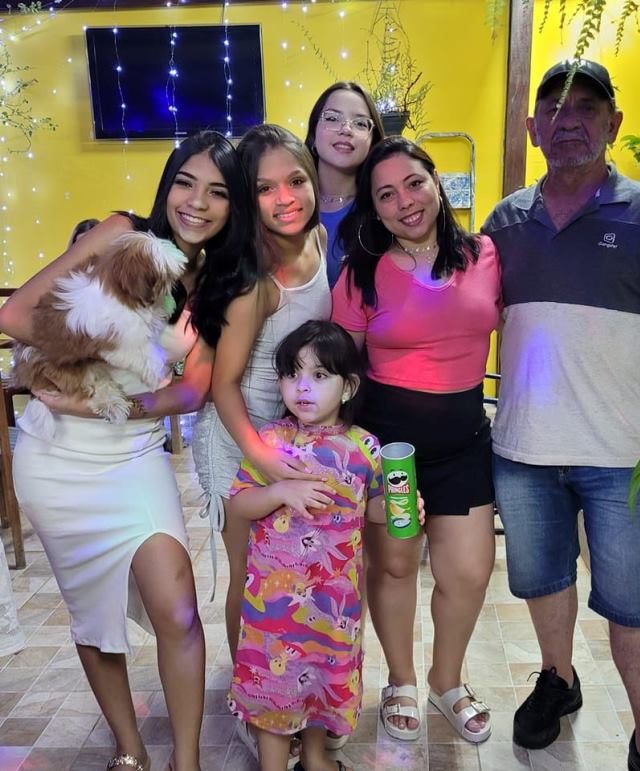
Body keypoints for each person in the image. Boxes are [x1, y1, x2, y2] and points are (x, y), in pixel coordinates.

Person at [0, 130, 255, 771]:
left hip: (134, 453)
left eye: (218, 192)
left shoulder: (220, 281)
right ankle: (129, 750)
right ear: (167, 184)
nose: (196, 202)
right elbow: (16, 314)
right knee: (92, 613)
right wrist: (105, 347)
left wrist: (109, 403)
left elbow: (191, 390)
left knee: (178, 609)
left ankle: (186, 761)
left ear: (234, 204)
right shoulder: (119, 233)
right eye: (185, 183)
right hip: (55, 457)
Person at [482, 60, 640, 771]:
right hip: (524, 450)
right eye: (554, 108)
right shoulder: (504, 222)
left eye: (586, 106)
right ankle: (559, 679)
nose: (569, 120)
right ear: (532, 127)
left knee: (635, 603)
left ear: (614, 122)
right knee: (543, 581)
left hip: (622, 456)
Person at [332, 136, 501, 744]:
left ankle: (445, 681)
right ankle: (400, 681)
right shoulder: (361, 273)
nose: (405, 201)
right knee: (397, 565)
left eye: (414, 183)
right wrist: (354, 462)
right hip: (392, 455)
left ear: (436, 183)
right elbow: (343, 371)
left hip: (463, 446)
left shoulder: (484, 254)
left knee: (470, 571)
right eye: (386, 195)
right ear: (374, 210)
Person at [191, 124, 331, 765]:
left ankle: (296, 691)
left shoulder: (320, 241)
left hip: (295, 433)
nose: (285, 199)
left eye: (295, 180)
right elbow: (222, 387)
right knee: (254, 577)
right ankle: (253, 704)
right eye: (264, 188)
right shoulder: (254, 279)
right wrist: (266, 462)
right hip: (239, 436)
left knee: (294, 573)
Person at [228, 320, 421, 771]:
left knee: (318, 682)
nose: (302, 387)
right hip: (275, 608)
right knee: (275, 690)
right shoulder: (272, 442)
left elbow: (373, 509)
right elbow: (240, 503)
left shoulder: (364, 447)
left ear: (348, 387)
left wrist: (405, 505)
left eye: (319, 376)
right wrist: (279, 491)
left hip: (334, 606)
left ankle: (315, 758)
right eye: (292, 374)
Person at [304, 82, 384, 288]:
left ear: (372, 141)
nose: (346, 129)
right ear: (313, 133)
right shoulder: (288, 204)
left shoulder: (383, 211)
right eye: (332, 118)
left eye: (360, 123)